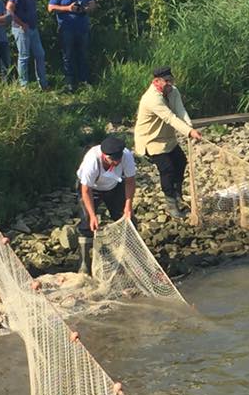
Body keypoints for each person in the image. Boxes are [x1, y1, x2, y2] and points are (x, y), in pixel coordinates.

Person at [133, 66, 202, 218]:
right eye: (166, 81)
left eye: (171, 80)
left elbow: (180, 110)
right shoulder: (151, 99)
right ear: (156, 82)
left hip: (168, 138)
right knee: (168, 170)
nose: (170, 84)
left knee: (181, 162)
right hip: (151, 140)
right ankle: (171, 205)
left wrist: (190, 127)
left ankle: (178, 195)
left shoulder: (173, 91)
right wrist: (189, 132)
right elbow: (170, 117)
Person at [75, 135, 136, 274]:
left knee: (128, 220)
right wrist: (92, 215)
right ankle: (84, 264)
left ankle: (132, 260)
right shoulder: (92, 161)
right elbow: (85, 190)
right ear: (104, 155)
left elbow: (130, 182)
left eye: (118, 159)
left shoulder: (126, 156)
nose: (116, 162)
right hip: (92, 189)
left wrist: (128, 206)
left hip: (114, 186)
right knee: (87, 223)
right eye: (112, 160)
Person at [48, 0, 96, 91]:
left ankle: (84, 80)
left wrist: (85, 9)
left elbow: (92, 4)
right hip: (67, 28)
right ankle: (69, 82)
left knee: (83, 54)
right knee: (68, 55)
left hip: (82, 28)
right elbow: (51, 7)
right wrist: (67, 8)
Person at [7, 0, 48, 89]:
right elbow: (9, 8)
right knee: (24, 56)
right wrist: (20, 23)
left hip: (33, 28)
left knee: (40, 54)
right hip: (21, 28)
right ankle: (24, 86)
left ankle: (43, 84)